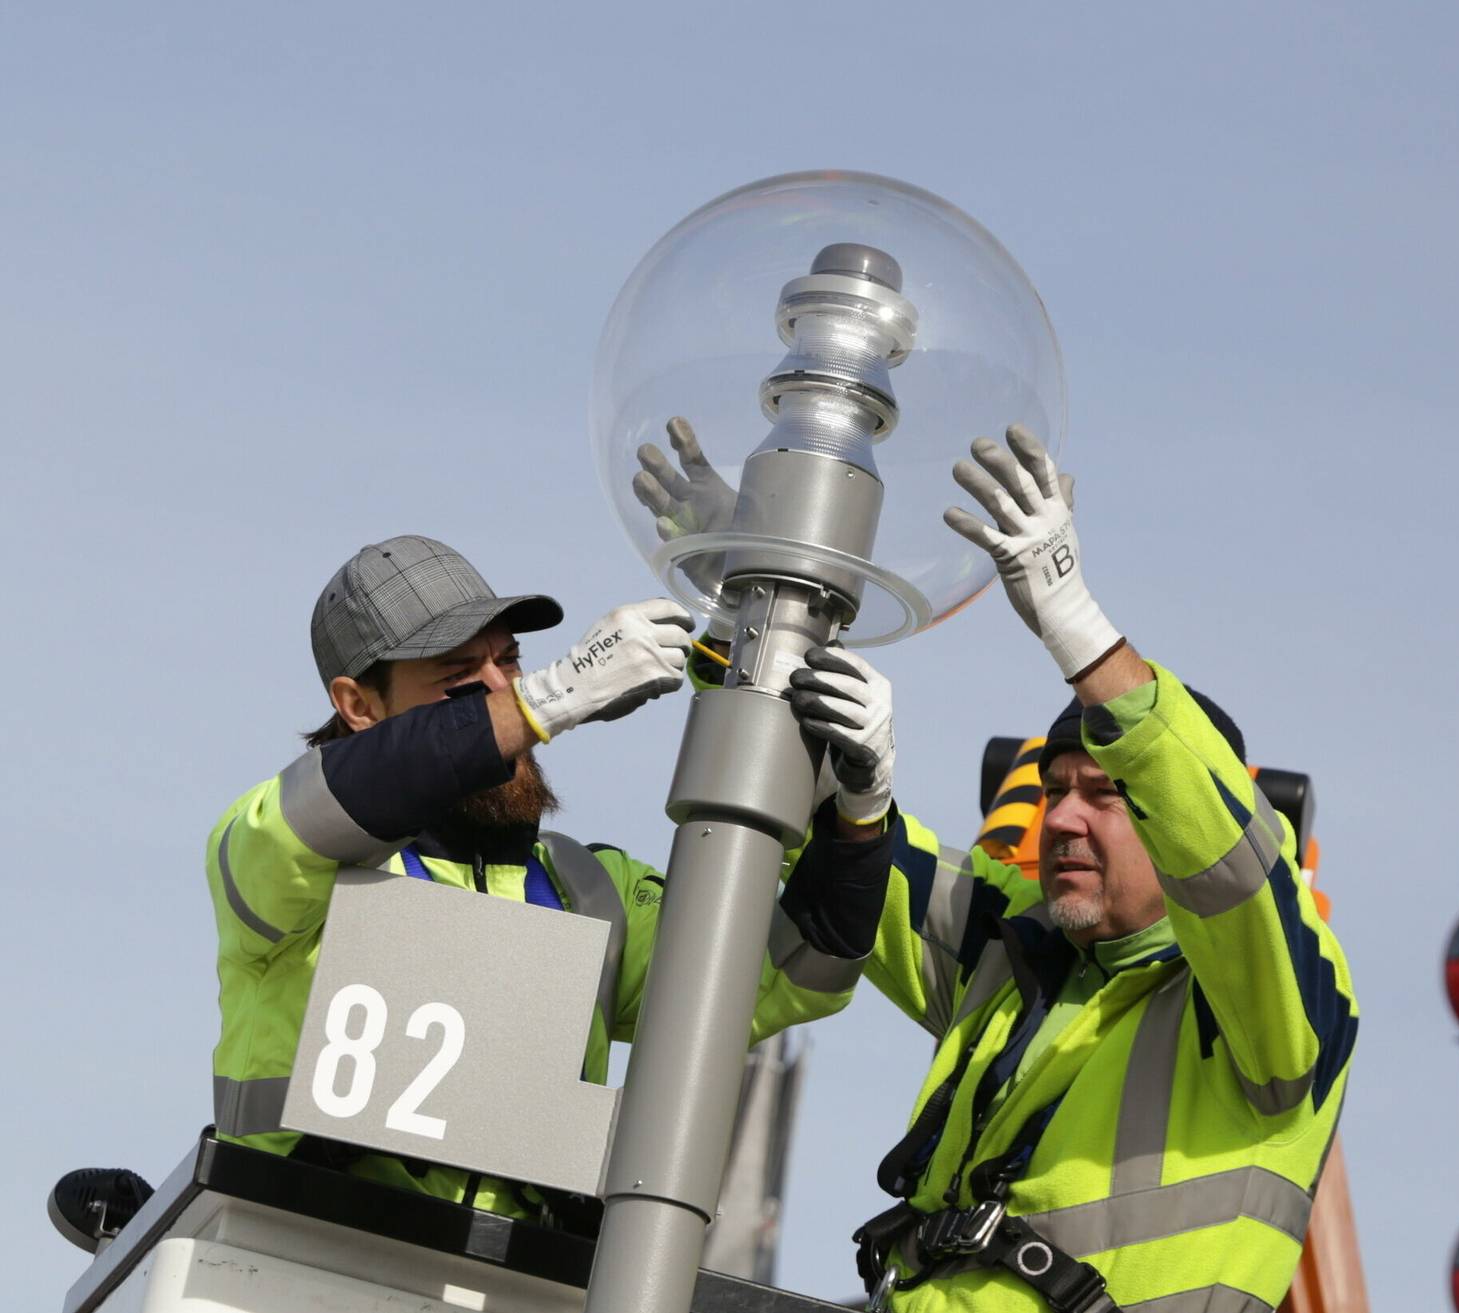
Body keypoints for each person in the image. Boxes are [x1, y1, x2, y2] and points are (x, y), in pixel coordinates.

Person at [775, 430, 1359, 1313]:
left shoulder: (1268, 1014)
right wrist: (760, 616)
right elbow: (838, 852)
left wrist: (1079, 630)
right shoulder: (1017, 949)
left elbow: (1234, 866)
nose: (1065, 818)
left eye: (1108, 792)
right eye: (1056, 789)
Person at [195, 534, 863, 1226]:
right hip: (284, 1262)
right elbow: (335, 795)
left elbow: (796, 972)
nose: (501, 686)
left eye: (510, 660)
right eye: (460, 676)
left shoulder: (588, 889)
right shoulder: (283, 859)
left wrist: (849, 806)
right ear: (358, 705)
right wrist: (551, 698)